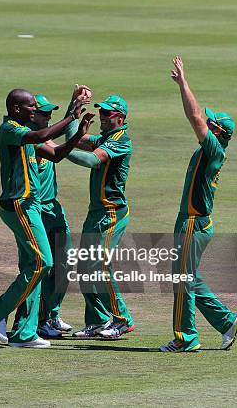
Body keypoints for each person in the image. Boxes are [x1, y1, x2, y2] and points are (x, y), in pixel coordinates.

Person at [0, 88, 93, 348]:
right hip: (19, 205)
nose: (34, 110)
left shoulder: (26, 134)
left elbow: (56, 154)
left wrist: (77, 133)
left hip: (28, 206)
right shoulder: (10, 129)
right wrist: (70, 115)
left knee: (33, 267)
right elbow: (42, 134)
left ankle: (24, 333)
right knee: (43, 261)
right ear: (16, 109)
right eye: (31, 107)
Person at [160, 56, 237, 352]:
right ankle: (227, 322)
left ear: (218, 132)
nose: (206, 123)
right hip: (193, 221)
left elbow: (195, 117)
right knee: (188, 277)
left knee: (182, 279)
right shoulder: (212, 149)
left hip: (194, 223)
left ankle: (186, 338)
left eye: (212, 124)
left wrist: (183, 83)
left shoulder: (214, 149)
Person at [63, 93, 136, 339]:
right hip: (96, 212)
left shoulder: (120, 140)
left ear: (120, 117)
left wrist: (59, 151)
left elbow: (92, 159)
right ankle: (97, 320)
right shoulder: (105, 137)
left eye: (107, 114)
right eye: (101, 112)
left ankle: (122, 319)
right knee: (84, 266)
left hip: (111, 213)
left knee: (101, 266)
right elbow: (76, 139)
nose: (102, 117)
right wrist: (74, 109)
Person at [29, 93, 81, 338]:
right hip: (36, 210)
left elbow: (54, 136)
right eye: (44, 112)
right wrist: (74, 114)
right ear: (32, 114)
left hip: (54, 208)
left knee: (65, 263)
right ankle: (39, 321)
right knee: (43, 265)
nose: (48, 116)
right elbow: (54, 147)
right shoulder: (29, 139)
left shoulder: (45, 135)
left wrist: (75, 105)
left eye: (50, 112)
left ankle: (52, 313)